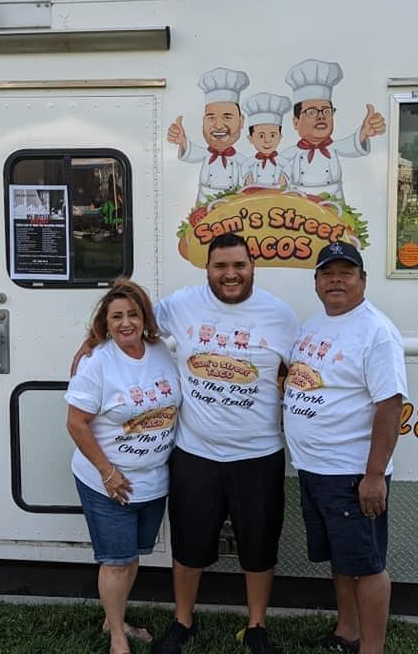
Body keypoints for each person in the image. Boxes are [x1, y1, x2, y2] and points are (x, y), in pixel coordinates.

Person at [149, 233, 299, 654]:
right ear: (207, 270)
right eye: (221, 267)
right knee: (189, 543)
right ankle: (182, 621)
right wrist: (92, 344)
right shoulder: (181, 304)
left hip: (259, 454)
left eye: (239, 265)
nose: (230, 274)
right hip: (195, 452)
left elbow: (305, 373)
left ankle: (256, 627)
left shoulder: (280, 316)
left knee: (259, 544)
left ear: (253, 268)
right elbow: (131, 321)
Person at [283, 242, 408, 654]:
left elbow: (389, 406)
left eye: (346, 272)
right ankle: (347, 634)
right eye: (327, 272)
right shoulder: (314, 325)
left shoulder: (376, 331)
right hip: (315, 469)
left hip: (352, 473)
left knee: (368, 566)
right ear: (317, 282)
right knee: (342, 560)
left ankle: (371, 648)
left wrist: (374, 476)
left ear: (362, 280)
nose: (336, 279)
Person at [66, 278, 182, 654]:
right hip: (108, 480)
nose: (126, 322)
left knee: (131, 557)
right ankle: (118, 636)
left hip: (152, 480)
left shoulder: (162, 350)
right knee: (116, 561)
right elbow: (76, 422)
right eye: (116, 316)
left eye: (133, 314)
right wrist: (108, 472)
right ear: (106, 322)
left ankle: (112, 617)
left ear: (145, 318)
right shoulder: (97, 361)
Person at [281, 59, 386, 200]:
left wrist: (364, 132)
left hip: (333, 205)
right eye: (312, 112)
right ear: (296, 122)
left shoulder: (333, 147)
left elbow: (352, 144)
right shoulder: (291, 153)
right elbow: (277, 165)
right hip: (301, 206)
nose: (321, 117)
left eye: (326, 111)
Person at [168, 67, 252, 204]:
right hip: (203, 209)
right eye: (211, 118)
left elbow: (248, 178)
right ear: (203, 122)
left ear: (241, 121)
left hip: (231, 211)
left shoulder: (241, 161)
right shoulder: (206, 155)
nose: (218, 125)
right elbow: (192, 152)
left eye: (227, 117)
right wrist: (183, 141)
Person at [240, 91, 292, 189]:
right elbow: (245, 167)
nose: (267, 140)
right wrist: (246, 177)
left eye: (272, 135)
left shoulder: (281, 161)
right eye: (261, 136)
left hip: (277, 193)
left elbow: (287, 167)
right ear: (250, 138)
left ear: (280, 137)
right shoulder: (252, 161)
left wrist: (285, 176)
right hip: (255, 193)